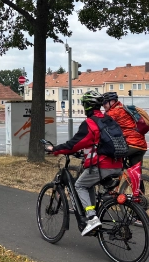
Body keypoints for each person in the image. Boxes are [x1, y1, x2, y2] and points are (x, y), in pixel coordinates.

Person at [44, 91, 125, 236]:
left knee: (79, 185)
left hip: (102, 166)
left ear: (87, 106)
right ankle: (93, 214)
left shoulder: (90, 123)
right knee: (89, 185)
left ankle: (92, 219)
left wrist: (54, 149)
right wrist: (85, 152)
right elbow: (99, 142)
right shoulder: (108, 119)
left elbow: (74, 144)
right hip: (117, 164)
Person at [102, 91, 147, 200]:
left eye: (104, 103)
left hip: (130, 144)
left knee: (107, 159)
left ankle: (110, 189)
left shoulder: (112, 113)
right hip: (140, 145)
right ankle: (140, 201)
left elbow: (101, 128)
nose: (103, 106)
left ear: (111, 101)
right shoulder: (124, 109)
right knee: (136, 174)